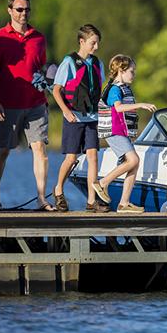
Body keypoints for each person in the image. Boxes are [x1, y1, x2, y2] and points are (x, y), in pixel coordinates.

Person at [0, 0, 54, 211]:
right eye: (19, 9)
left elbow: (40, 69)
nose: (23, 13)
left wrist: (47, 84)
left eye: (27, 10)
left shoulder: (39, 38)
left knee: (40, 149)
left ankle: (42, 198)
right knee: (4, 149)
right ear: (9, 11)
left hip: (36, 103)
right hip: (8, 104)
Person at [51, 24, 106, 212]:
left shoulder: (98, 64)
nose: (96, 47)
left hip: (92, 117)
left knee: (93, 156)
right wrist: (65, 111)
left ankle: (92, 201)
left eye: (98, 43)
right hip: (74, 116)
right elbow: (56, 90)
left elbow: (100, 90)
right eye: (93, 43)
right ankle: (58, 190)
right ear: (82, 42)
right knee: (71, 158)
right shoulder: (69, 62)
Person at [94, 55, 156, 212]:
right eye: (131, 71)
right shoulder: (115, 89)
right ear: (121, 71)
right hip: (114, 131)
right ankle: (102, 183)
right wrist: (141, 104)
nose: (133, 75)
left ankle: (124, 203)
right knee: (133, 159)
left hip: (121, 131)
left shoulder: (125, 88)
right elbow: (118, 108)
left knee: (134, 164)